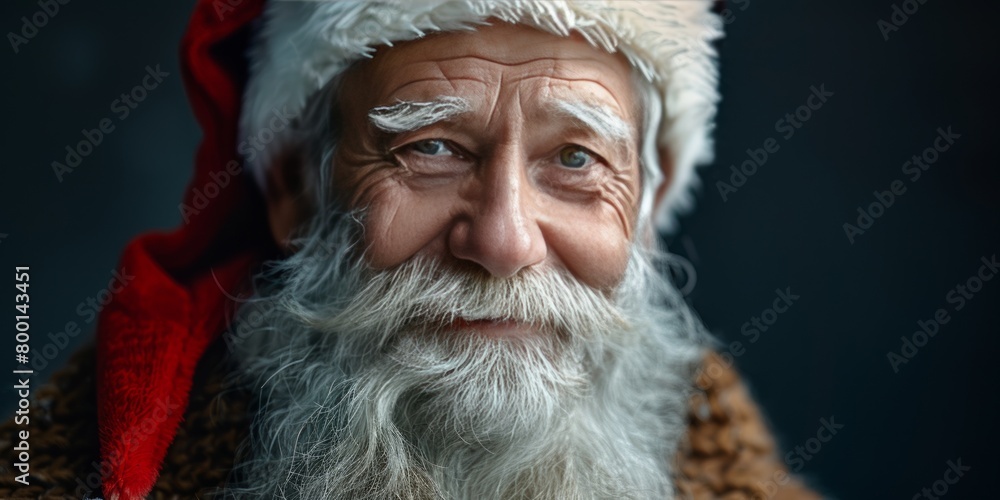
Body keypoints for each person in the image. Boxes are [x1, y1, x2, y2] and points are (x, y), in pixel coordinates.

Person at [1, 1, 823, 498]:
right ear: (295, 187)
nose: (501, 241)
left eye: (575, 160)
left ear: (644, 206)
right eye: (431, 149)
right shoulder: (48, 475)